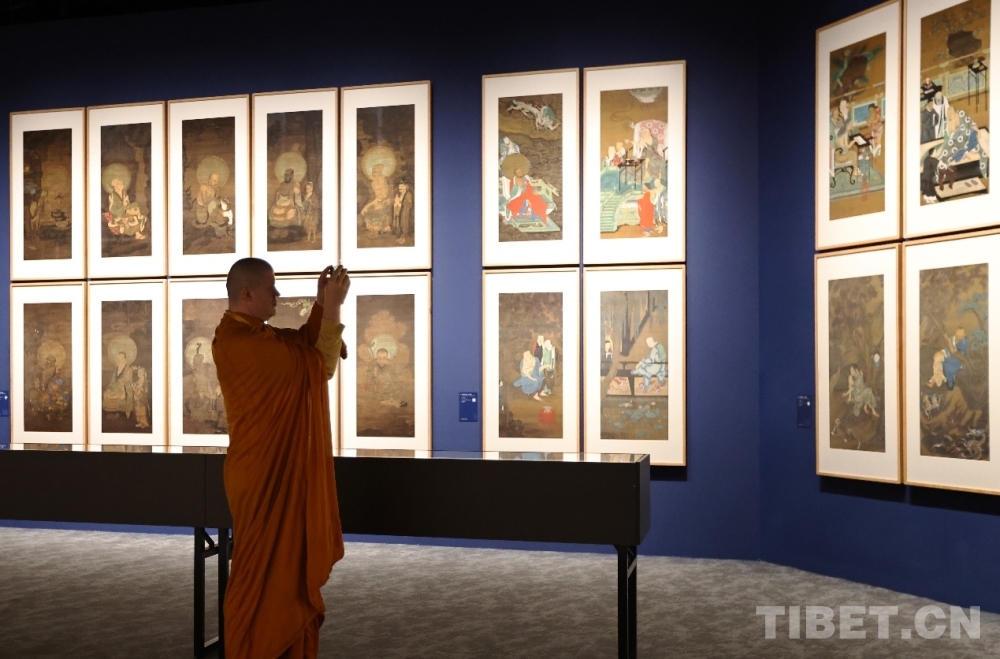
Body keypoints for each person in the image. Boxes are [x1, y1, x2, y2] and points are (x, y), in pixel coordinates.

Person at [213, 258, 351, 658]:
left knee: (285, 574)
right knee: (260, 575)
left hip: (270, 470)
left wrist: (323, 303)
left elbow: (303, 346)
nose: (278, 294)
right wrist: (334, 307)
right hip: (262, 477)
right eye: (271, 288)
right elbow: (320, 364)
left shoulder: (261, 336)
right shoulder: (241, 343)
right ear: (246, 293)